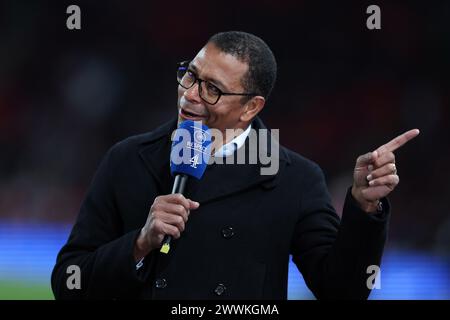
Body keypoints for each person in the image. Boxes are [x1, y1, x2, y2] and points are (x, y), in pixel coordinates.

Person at [51, 31, 419, 299]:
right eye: (190, 75)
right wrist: (139, 245)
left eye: (212, 89)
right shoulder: (128, 159)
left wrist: (364, 207)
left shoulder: (295, 180)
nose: (190, 95)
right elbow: (68, 281)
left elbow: (342, 291)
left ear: (251, 108)